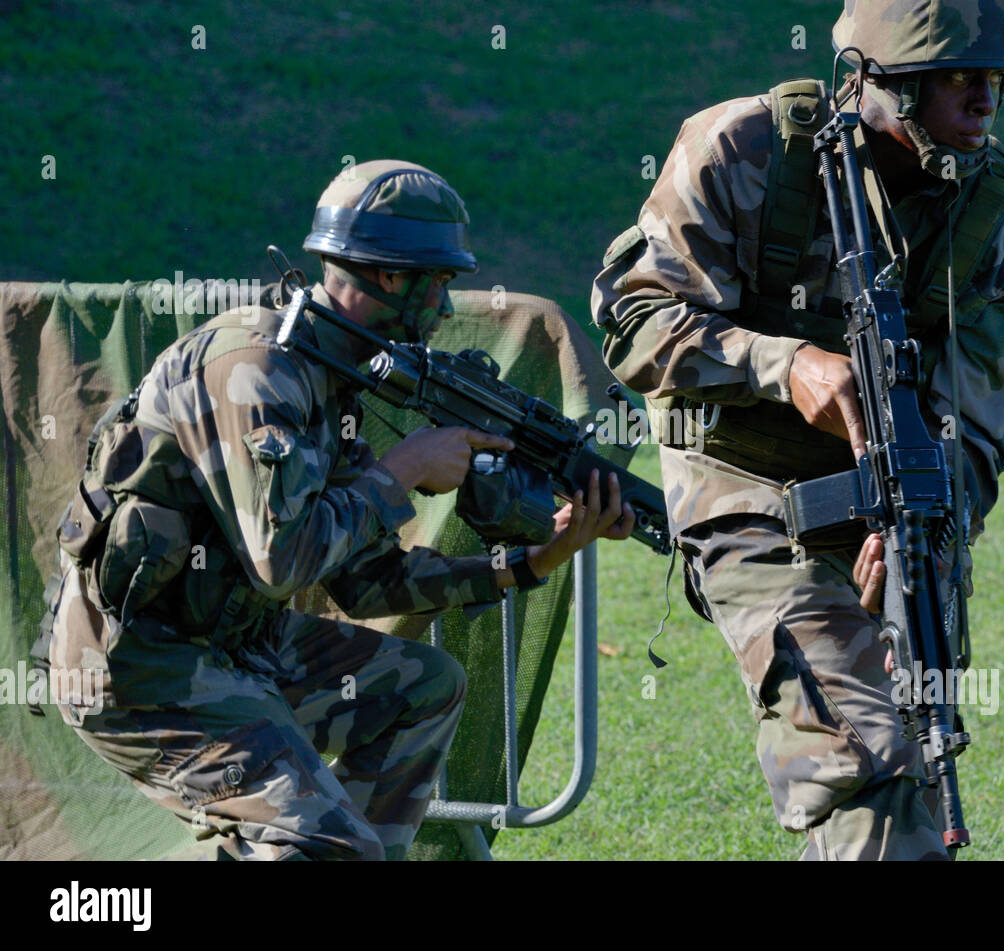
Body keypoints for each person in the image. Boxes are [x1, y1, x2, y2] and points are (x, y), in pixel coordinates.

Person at [46, 159, 634, 860]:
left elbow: (369, 583)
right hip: (140, 667)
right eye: (440, 282)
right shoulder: (257, 368)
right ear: (390, 275)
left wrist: (532, 562)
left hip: (237, 644)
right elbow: (279, 561)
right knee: (321, 841)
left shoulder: (328, 375)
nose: (446, 308)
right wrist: (405, 469)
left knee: (425, 686)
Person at [592, 1, 1004, 859]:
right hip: (745, 487)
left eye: (996, 79)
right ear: (880, 77)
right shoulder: (746, 151)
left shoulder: (1002, 226)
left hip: (899, 521)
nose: (984, 100)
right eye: (957, 76)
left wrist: (935, 520)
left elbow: (981, 419)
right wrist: (783, 362)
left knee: (912, 762)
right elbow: (633, 320)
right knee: (863, 759)